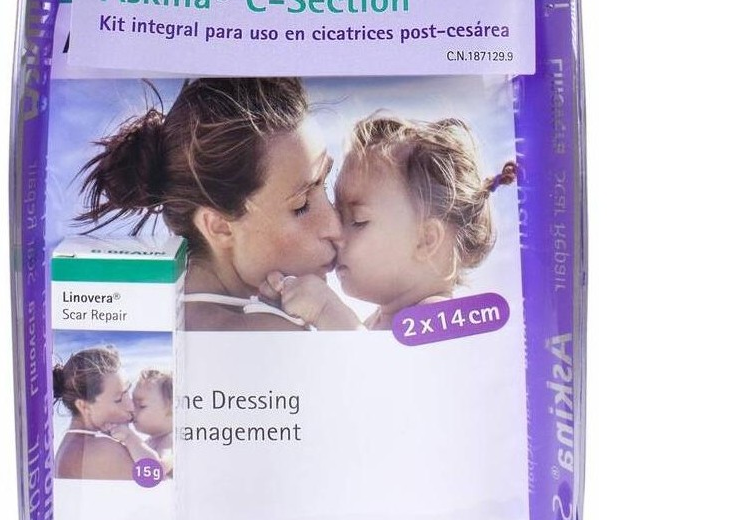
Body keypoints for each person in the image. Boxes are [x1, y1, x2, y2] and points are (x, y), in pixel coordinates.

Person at [78, 78, 341, 331]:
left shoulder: (153, 319)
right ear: (218, 226)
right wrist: (331, 314)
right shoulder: (274, 334)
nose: (336, 227)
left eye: (326, 186)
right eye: (301, 205)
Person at [269, 114, 517, 331]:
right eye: (339, 215)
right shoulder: (374, 322)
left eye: (358, 220)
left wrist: (325, 310)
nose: (336, 232)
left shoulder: (440, 317)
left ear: (426, 240)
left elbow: (379, 367)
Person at [52, 346, 135, 479]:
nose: (131, 406)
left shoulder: (69, 446)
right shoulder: (105, 451)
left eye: (128, 391)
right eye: (118, 399)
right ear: (83, 406)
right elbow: (159, 484)